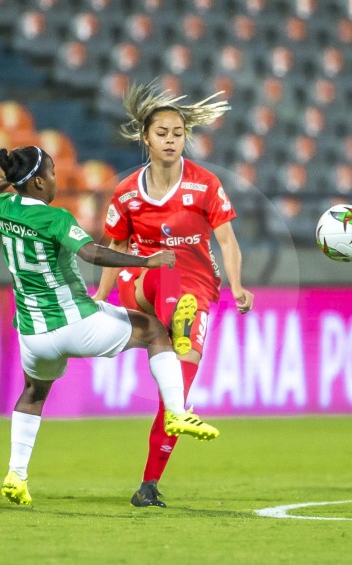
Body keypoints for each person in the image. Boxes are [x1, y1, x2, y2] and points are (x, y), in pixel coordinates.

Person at [0, 146, 220, 506]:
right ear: (38, 181)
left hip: (32, 333)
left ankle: (16, 475)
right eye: (51, 173)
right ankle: (177, 412)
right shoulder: (55, 218)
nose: (56, 180)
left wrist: (3, 184)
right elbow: (92, 253)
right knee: (155, 331)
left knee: (34, 393)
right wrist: (145, 261)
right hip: (74, 321)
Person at [93, 83, 254, 507]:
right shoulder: (127, 191)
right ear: (146, 137)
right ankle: (175, 321)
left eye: (178, 133)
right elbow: (116, 249)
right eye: (162, 132)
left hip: (198, 288)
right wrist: (100, 298)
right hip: (143, 283)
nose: (170, 140)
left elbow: (228, 242)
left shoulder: (205, 184)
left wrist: (236, 284)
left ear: (186, 138)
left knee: (176, 396)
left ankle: (148, 486)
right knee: (161, 268)